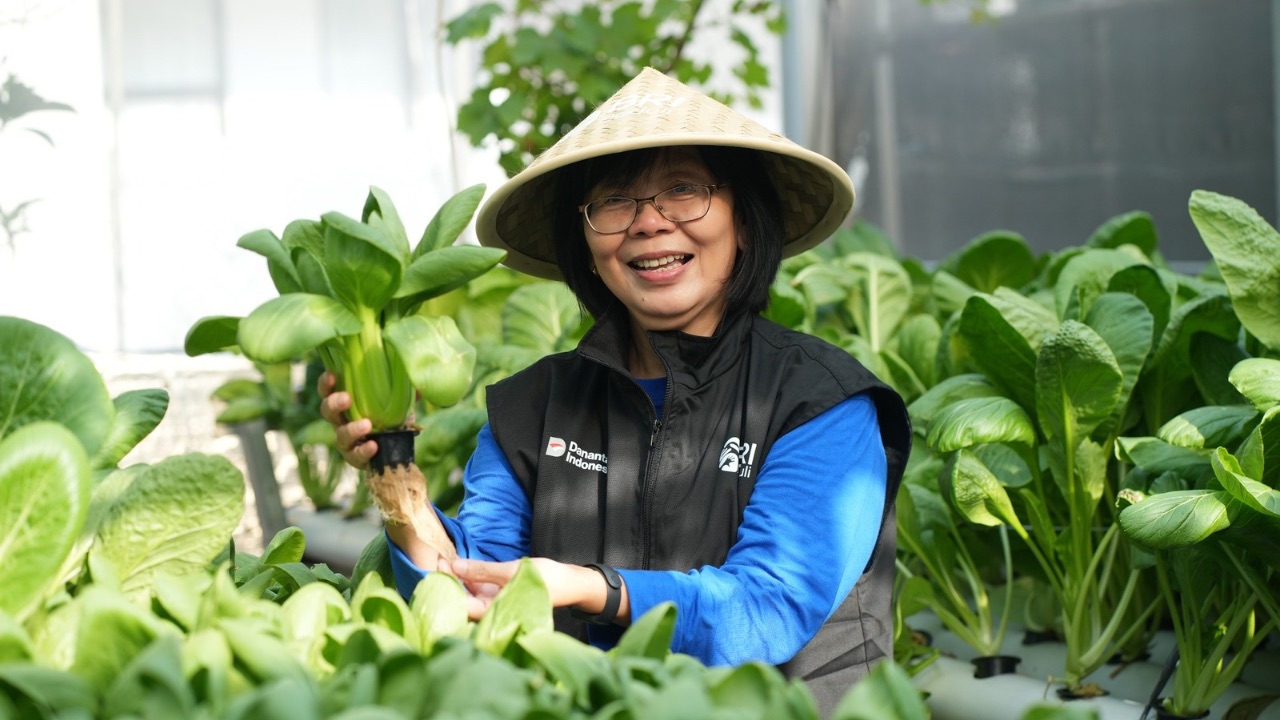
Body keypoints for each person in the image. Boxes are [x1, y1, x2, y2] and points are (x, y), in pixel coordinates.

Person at [319, 67, 911, 716]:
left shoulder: (820, 403)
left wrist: (592, 588)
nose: (650, 222)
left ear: (744, 220)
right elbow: (475, 584)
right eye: (614, 201)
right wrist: (392, 464)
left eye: (684, 190)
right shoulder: (532, 407)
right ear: (586, 241)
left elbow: (766, 609)